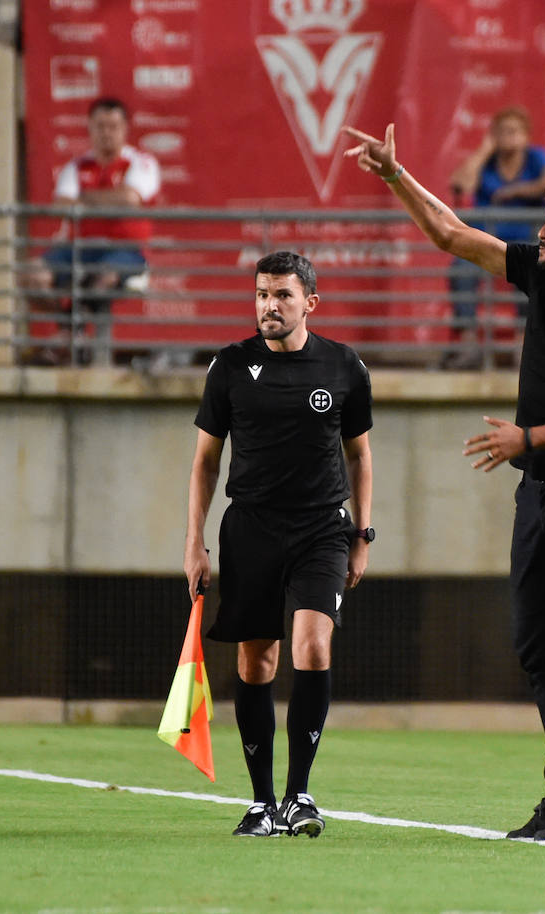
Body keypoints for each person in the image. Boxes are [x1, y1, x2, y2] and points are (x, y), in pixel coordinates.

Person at [343, 124, 545, 841]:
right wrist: (397, 175)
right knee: (535, 646)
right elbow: (453, 234)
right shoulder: (542, 274)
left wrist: (527, 439)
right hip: (540, 491)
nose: (542, 233)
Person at [184, 250, 373, 839]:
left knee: (313, 646)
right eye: (262, 294)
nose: (270, 305)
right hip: (251, 530)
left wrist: (362, 534)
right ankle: (262, 802)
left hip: (322, 529)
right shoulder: (230, 367)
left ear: (309, 303)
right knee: (256, 658)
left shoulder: (345, 366)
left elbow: (360, 455)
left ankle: (299, 793)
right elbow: (205, 462)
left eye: (283, 295)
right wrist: (194, 544)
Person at [24, 96, 160, 366]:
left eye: (113, 126)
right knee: (31, 276)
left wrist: (84, 200)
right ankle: (73, 333)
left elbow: (130, 200)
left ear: (125, 129)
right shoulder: (76, 166)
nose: (106, 133)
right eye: (100, 126)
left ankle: (67, 339)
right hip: (80, 247)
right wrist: (109, 199)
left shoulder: (140, 163)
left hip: (126, 250)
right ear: (90, 128)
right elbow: (61, 206)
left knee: (104, 278)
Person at [444, 106, 545, 368]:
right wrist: (483, 150)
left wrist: (516, 191)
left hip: (526, 242)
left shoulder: (535, 157)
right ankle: (468, 344)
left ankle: (523, 347)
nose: (507, 137)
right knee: (460, 272)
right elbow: (461, 184)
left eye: (513, 131)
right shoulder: (486, 161)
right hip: (485, 243)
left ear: (525, 136)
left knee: (535, 271)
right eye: (500, 132)